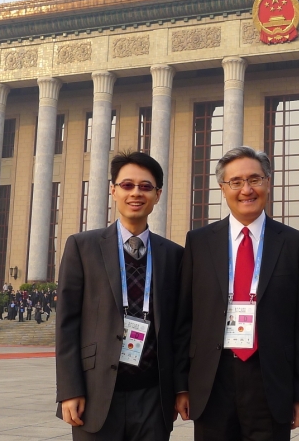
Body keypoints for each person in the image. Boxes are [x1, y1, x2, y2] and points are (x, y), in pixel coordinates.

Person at [174, 146, 299, 438]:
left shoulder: (294, 244)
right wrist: (181, 385)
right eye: (236, 182)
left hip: (270, 382)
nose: (246, 190)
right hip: (212, 381)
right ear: (223, 189)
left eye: (255, 179)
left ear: (268, 182)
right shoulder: (199, 243)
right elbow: (185, 319)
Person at [56, 152, 183, 440]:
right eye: (127, 185)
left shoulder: (174, 255)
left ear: (157, 194)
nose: (136, 193)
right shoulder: (83, 247)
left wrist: (180, 387)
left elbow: (180, 328)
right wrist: (69, 390)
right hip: (96, 393)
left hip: (153, 397)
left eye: (145, 186)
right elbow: (67, 324)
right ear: (113, 190)